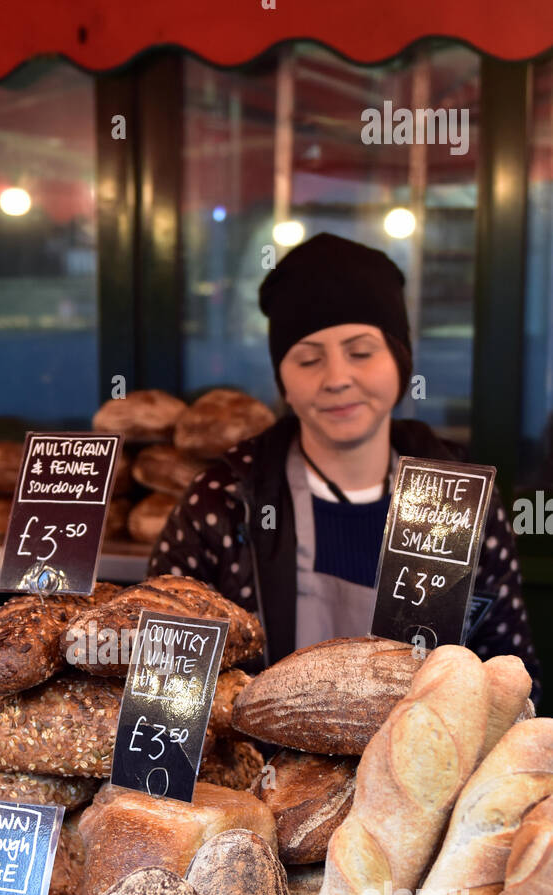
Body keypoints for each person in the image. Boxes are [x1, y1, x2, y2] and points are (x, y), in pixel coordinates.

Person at [149, 232, 541, 703]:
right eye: (309, 359)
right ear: (284, 382)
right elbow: (163, 688)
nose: (337, 378)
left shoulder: (460, 499)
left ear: (400, 361)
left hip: (422, 772)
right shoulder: (221, 500)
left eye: (361, 352)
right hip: (254, 776)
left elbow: (512, 679)